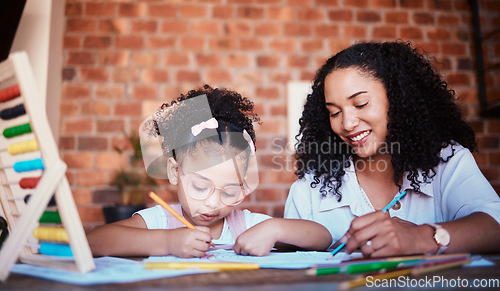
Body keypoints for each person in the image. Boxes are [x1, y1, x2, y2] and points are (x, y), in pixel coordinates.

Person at [285, 41, 500, 258]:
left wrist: (420, 237)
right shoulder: (310, 188)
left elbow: (495, 224)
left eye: (360, 104)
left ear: (397, 99)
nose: (347, 124)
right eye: (334, 112)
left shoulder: (446, 161)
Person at [88, 85, 332, 258]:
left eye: (230, 191)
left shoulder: (244, 225)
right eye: (201, 187)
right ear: (175, 172)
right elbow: (94, 241)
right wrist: (167, 241)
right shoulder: (160, 221)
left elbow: (323, 238)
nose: (213, 203)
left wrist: (275, 229)